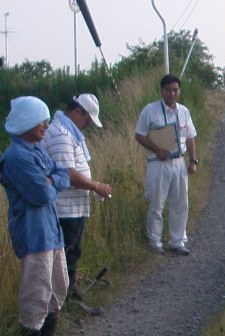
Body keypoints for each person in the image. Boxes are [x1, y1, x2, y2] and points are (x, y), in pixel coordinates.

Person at [0, 96, 71, 336]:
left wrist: (50, 181)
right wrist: (51, 182)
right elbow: (41, 194)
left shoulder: (36, 149)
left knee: (57, 288)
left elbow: (63, 173)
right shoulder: (16, 156)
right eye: (42, 120)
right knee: (36, 296)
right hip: (34, 234)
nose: (46, 126)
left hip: (51, 231)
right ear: (28, 121)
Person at [41, 93, 112, 301]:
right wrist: (96, 186)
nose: (88, 124)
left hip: (73, 207)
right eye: (87, 120)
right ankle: (66, 296)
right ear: (77, 111)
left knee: (71, 251)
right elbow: (68, 174)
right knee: (67, 252)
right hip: (65, 209)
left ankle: (68, 289)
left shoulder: (68, 132)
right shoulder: (61, 135)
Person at [135, 74, 198, 256]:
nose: (172, 93)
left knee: (181, 203)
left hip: (179, 162)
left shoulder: (184, 111)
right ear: (162, 90)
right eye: (168, 90)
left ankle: (177, 241)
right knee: (157, 202)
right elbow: (139, 135)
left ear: (179, 91)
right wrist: (156, 149)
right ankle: (155, 241)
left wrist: (193, 161)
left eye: (175, 90)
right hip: (158, 162)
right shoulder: (150, 110)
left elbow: (191, 137)